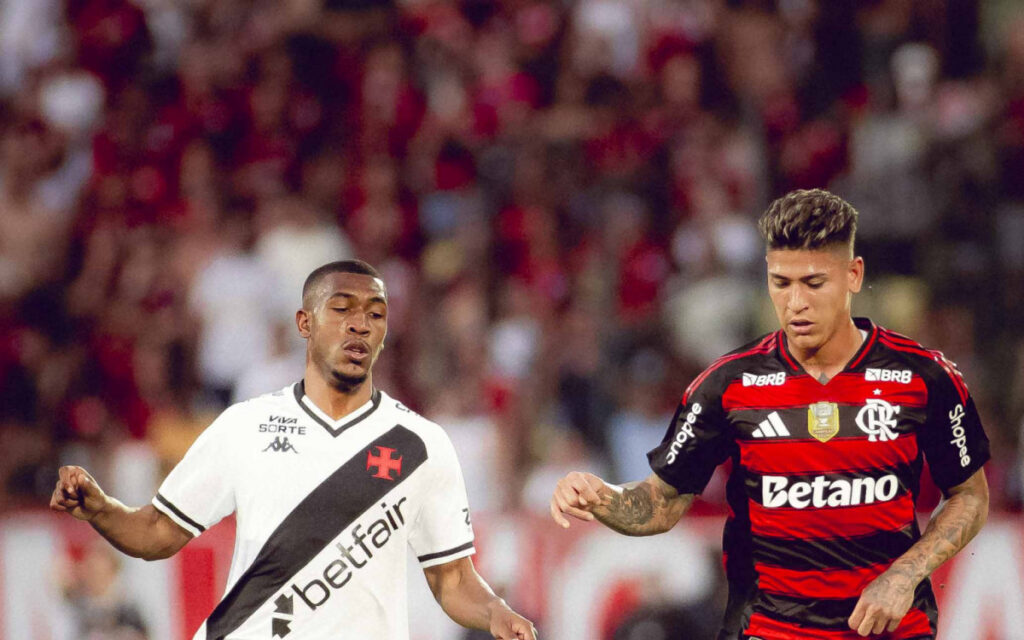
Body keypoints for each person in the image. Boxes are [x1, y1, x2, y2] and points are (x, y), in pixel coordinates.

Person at [550, 189, 990, 640]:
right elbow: (661, 503)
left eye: (813, 283)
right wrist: (600, 496)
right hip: (769, 629)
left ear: (854, 276)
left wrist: (905, 574)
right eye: (781, 282)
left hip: (891, 630)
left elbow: (970, 496)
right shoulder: (726, 385)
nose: (795, 302)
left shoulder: (925, 377)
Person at [51, 259, 538, 640]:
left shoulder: (420, 445)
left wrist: (495, 610)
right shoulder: (247, 425)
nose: (360, 325)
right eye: (342, 309)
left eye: (375, 314)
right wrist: (101, 509)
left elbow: (451, 579)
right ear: (305, 323)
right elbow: (157, 532)